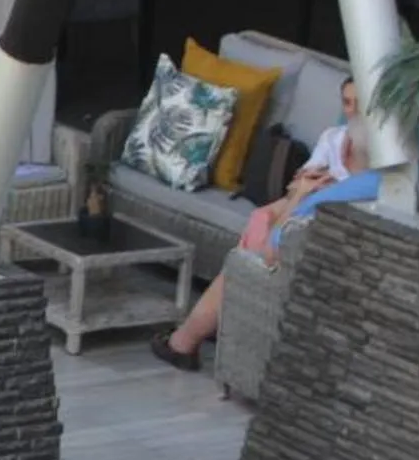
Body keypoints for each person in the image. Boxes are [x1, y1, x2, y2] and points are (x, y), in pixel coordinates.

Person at [150, 77, 369, 371]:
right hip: (295, 215)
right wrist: (301, 193)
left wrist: (308, 193)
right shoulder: (334, 138)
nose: (352, 111)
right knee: (257, 227)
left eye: (360, 103)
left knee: (245, 257)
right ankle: (197, 332)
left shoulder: (385, 164)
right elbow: (298, 187)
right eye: (347, 102)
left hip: (315, 233)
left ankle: (185, 340)